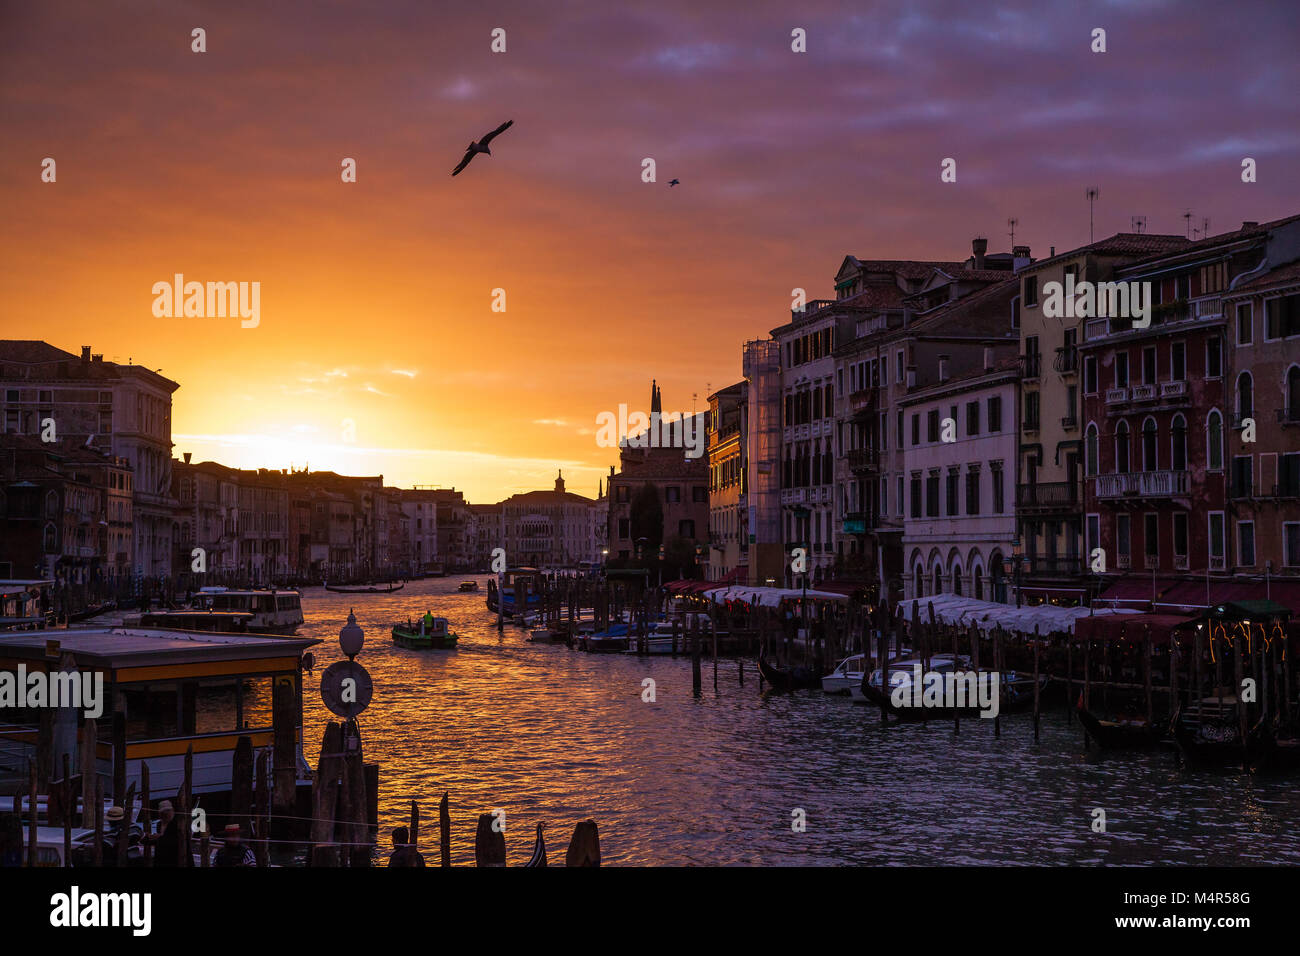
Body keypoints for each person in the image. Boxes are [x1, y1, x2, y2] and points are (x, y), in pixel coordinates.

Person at [153, 800, 180, 866]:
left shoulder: (177, 824)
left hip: (174, 857)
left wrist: (160, 837)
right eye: (164, 812)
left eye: (168, 811)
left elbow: (176, 841)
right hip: (161, 856)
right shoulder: (159, 824)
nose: (167, 814)